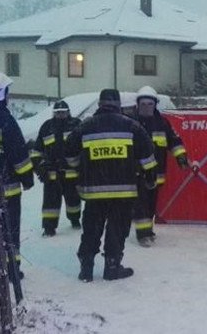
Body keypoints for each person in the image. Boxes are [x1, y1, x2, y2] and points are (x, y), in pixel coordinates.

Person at [65, 89, 157, 282]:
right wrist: (150, 177)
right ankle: (112, 267)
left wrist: (80, 168)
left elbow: (69, 153)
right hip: (123, 191)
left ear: (100, 104)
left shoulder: (85, 126)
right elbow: (147, 155)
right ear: (118, 105)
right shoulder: (132, 126)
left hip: (94, 192)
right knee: (117, 229)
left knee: (91, 229)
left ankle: (86, 268)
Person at [0, 71, 34, 278]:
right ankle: (11, 271)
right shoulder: (5, 120)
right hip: (6, 192)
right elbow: (18, 155)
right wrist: (27, 178)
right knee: (8, 231)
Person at [132, 86, 188, 247]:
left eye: (150, 104)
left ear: (155, 105)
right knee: (141, 204)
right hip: (137, 173)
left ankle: (148, 230)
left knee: (151, 204)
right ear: (138, 105)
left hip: (157, 173)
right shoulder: (131, 123)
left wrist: (181, 157)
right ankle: (142, 235)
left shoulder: (163, 123)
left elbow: (174, 141)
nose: (146, 107)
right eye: (143, 104)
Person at [31, 100, 82, 236]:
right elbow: (37, 151)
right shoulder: (47, 127)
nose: (60, 115)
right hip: (51, 174)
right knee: (50, 204)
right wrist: (40, 167)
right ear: (54, 113)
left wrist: (82, 166)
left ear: (68, 112)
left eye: (63, 112)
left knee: (73, 201)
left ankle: (75, 220)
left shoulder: (77, 125)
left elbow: (83, 148)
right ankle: (49, 228)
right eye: (58, 112)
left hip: (72, 173)